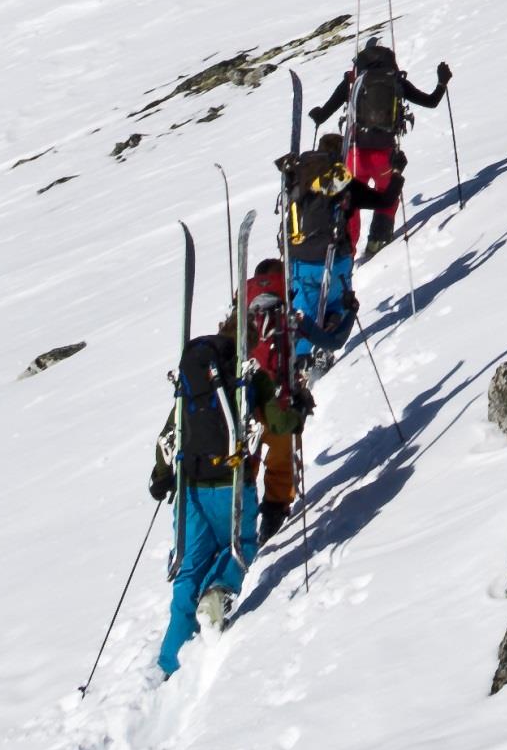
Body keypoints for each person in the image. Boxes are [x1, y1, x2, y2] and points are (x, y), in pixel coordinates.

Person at [150, 331, 247, 674]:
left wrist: (160, 477)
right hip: (233, 484)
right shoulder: (242, 380)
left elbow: (169, 434)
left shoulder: (188, 387)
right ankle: (217, 595)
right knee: (239, 545)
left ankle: (168, 662)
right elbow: (279, 422)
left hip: (189, 489)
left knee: (188, 568)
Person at [313, 36, 451, 260]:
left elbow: (322, 115)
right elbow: (431, 101)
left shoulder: (352, 80)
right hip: (384, 155)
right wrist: (442, 82)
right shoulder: (395, 80)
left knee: (350, 201)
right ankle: (378, 240)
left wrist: (316, 114)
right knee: (388, 196)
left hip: (354, 155)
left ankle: (347, 250)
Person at [234, 255, 311, 541]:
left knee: (248, 456)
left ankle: (245, 511)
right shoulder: (285, 313)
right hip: (280, 396)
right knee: (281, 456)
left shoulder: (243, 313)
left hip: (249, 399)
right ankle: (276, 508)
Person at [277, 144, 362, 369]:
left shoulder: (296, 183)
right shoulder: (337, 179)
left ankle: (300, 362)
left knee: (303, 311)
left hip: (299, 264)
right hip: (334, 260)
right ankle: (326, 343)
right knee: (339, 302)